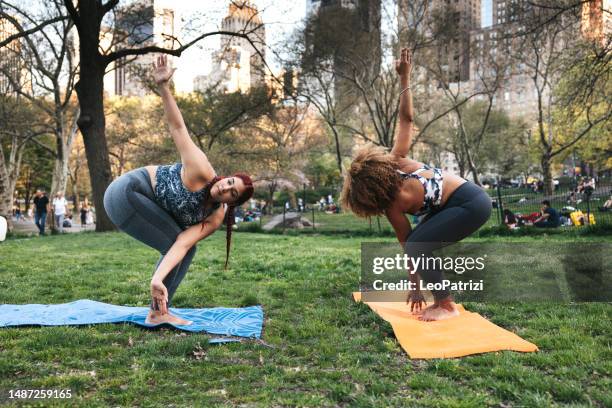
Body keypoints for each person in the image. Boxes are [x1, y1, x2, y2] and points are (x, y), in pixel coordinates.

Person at [340, 48, 492, 322]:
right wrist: (415, 286)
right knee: (418, 243)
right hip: (466, 202)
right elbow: (408, 246)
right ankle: (442, 300)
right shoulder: (395, 170)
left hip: (471, 203)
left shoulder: (396, 167)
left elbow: (406, 119)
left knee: (419, 243)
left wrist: (405, 78)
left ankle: (446, 306)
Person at [103, 55, 254, 326]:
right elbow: (177, 127)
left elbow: (184, 242)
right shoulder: (201, 168)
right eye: (230, 182)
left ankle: (159, 307)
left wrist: (157, 277)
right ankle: (158, 312)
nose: (225, 188)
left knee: (188, 249)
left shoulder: (216, 217)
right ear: (226, 177)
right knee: (175, 244)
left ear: (233, 203)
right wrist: (163, 87)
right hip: (126, 192)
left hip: (129, 205)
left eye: (233, 193)